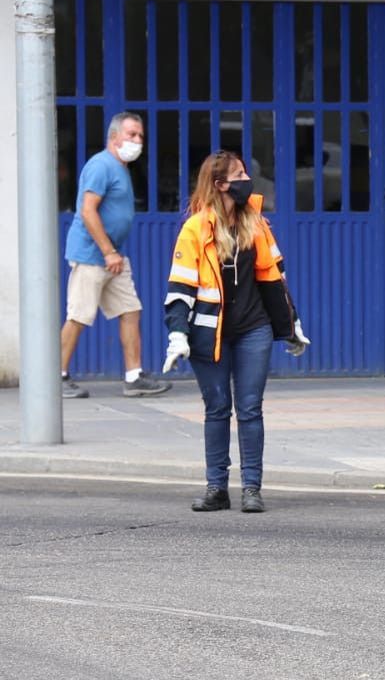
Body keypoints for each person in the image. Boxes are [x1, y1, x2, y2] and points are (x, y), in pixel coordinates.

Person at [163, 151, 309, 514]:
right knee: (216, 409)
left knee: (250, 409)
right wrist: (177, 334)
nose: (247, 179)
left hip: (253, 329)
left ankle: (251, 489)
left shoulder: (255, 223)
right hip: (209, 334)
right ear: (220, 184)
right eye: (240, 174)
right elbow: (181, 287)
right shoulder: (195, 228)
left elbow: (275, 278)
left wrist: (291, 324)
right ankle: (216, 488)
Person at [60, 112, 172, 399]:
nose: (137, 141)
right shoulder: (101, 165)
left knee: (130, 310)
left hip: (113, 257)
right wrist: (108, 251)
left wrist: (113, 253)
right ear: (113, 137)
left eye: (140, 136)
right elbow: (88, 210)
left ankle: (134, 377)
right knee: (79, 315)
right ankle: (54, 378)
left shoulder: (119, 167)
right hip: (93, 255)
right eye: (131, 134)